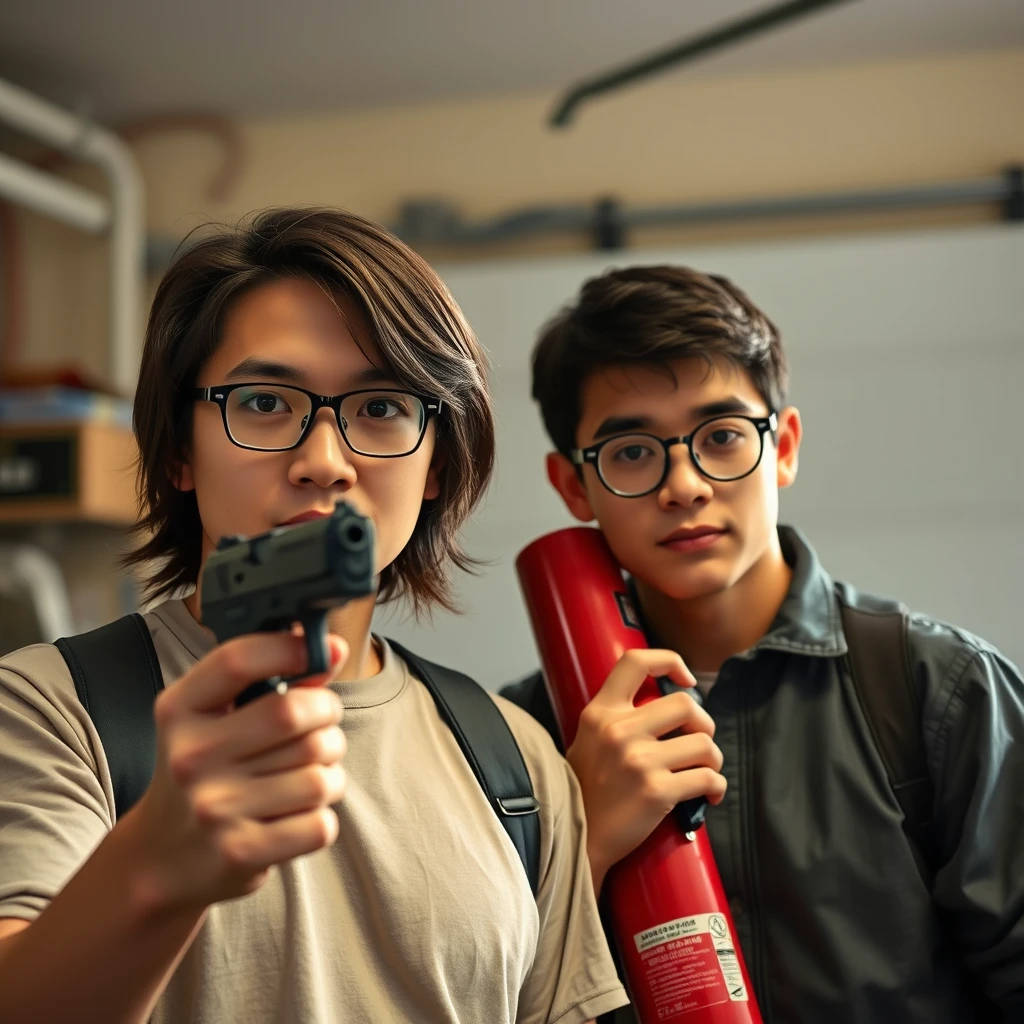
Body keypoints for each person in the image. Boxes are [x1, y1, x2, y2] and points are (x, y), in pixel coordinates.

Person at [0, 207, 628, 1024]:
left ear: (437, 463)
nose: (323, 463)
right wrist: (154, 866)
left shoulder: (515, 759)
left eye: (380, 409)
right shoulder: (49, 708)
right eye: (263, 402)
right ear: (179, 452)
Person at [502, 264, 1024, 1023]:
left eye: (721, 437)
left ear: (782, 447)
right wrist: (579, 848)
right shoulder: (521, 741)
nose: (683, 484)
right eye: (633, 452)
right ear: (574, 486)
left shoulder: (940, 691)